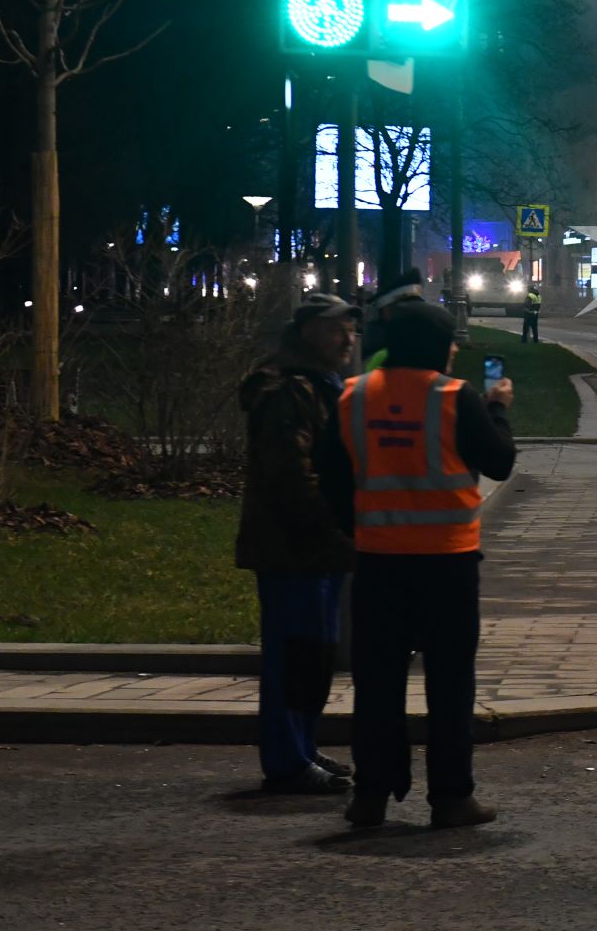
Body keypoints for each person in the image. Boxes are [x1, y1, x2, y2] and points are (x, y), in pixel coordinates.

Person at [327, 299, 516, 830]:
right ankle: (452, 798)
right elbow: (499, 460)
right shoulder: (456, 398)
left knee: (377, 683)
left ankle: (370, 796)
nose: (456, 349)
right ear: (436, 346)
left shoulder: (353, 396)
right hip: (447, 562)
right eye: (452, 340)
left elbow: (332, 477)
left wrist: (360, 529)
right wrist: (499, 406)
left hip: (378, 562)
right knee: (450, 684)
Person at [234, 293, 360, 795]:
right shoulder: (289, 391)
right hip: (294, 547)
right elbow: (292, 473)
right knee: (292, 655)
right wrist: (327, 528)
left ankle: (302, 747)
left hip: (317, 546)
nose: (347, 338)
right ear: (306, 332)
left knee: (312, 656)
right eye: (336, 329)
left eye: (350, 329)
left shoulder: (323, 385)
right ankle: (286, 758)